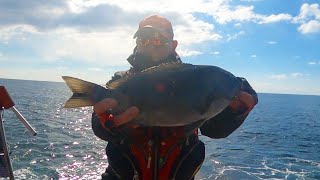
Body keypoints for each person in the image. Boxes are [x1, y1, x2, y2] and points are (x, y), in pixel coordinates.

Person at [91, 14, 258, 180]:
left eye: (158, 39)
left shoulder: (195, 82)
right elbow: (100, 125)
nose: (151, 45)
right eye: (144, 39)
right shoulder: (120, 82)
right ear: (137, 44)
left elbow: (214, 130)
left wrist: (235, 112)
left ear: (174, 45)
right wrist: (108, 123)